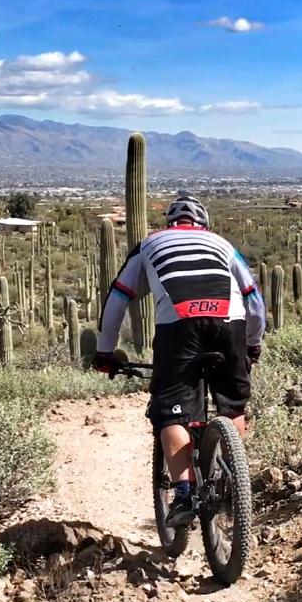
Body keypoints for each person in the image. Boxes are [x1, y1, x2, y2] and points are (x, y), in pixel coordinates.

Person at [94, 194, 265, 527]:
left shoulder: (149, 243)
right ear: (204, 224)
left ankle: (184, 495)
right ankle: (232, 481)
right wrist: (252, 345)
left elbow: (118, 298)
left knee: (170, 410)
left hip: (179, 326)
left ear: (170, 223)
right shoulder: (223, 244)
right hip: (230, 323)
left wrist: (104, 352)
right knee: (233, 408)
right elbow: (254, 298)